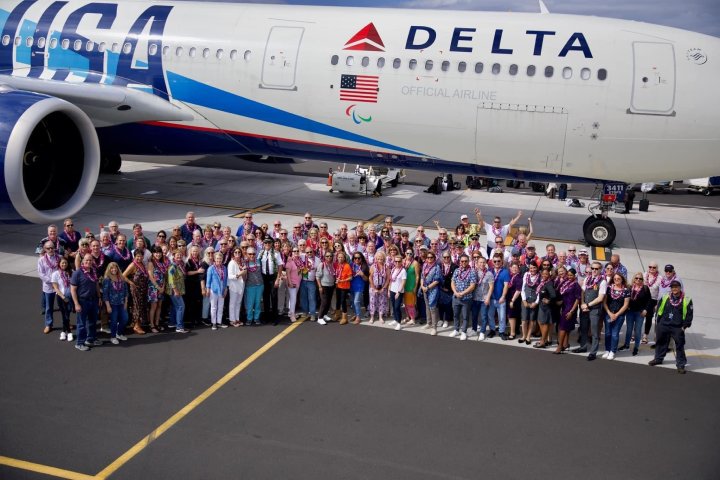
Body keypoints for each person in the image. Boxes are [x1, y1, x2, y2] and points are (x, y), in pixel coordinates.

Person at [649, 280, 693, 373]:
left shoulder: (687, 299)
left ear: (680, 288)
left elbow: (689, 314)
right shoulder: (665, 297)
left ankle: (681, 365)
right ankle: (658, 359)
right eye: (673, 287)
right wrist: (659, 322)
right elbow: (659, 309)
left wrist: (684, 326)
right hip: (664, 324)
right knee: (660, 342)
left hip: (677, 327)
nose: (674, 289)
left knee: (679, 345)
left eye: (676, 287)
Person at [573, 262, 607, 360]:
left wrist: (588, 305)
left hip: (594, 309)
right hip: (585, 308)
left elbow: (600, 298)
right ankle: (583, 347)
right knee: (583, 329)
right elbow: (583, 292)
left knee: (594, 332)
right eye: (592, 268)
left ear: (600, 270)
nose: (594, 270)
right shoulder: (587, 279)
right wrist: (583, 303)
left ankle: (593, 352)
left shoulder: (602, 281)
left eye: (596, 269)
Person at [70, 254, 102, 351]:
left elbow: (96, 284)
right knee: (81, 324)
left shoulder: (93, 271)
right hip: (82, 301)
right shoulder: (77, 273)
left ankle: (91, 339)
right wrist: (76, 303)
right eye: (86, 260)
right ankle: (80, 343)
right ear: (83, 261)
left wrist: (99, 297)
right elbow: (73, 290)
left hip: (93, 300)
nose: (88, 262)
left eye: (90, 260)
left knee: (92, 321)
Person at [620, 272, 651, 355]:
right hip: (630, 312)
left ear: (642, 280)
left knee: (637, 331)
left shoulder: (645, 288)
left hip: (640, 313)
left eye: (640, 279)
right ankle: (626, 345)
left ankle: (636, 347)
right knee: (629, 330)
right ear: (634, 279)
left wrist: (646, 310)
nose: (638, 280)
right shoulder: (629, 287)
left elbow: (649, 301)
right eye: (636, 278)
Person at [450, 254, 477, 340]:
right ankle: (456, 329)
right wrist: (455, 292)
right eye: (462, 261)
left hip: (466, 298)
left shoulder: (472, 271)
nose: (464, 263)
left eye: (465, 261)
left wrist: (462, 293)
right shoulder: (457, 270)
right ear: (459, 262)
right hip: (456, 297)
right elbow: (452, 282)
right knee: (456, 315)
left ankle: (464, 332)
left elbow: (472, 286)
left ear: (468, 261)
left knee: (465, 316)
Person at [603, 273, 630, 360]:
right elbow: (604, 302)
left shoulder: (626, 290)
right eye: (615, 278)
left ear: (622, 279)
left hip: (620, 315)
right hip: (608, 314)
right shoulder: (608, 288)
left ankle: (612, 351)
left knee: (615, 334)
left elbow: (625, 305)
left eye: (618, 278)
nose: (616, 280)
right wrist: (610, 313)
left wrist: (616, 314)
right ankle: (607, 350)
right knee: (608, 333)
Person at [102, 262, 130, 344]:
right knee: (114, 321)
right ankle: (113, 337)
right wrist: (108, 306)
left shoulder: (121, 278)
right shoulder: (107, 279)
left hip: (122, 303)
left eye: (115, 268)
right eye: (112, 268)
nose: (114, 269)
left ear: (118, 268)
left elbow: (126, 291)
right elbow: (105, 294)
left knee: (125, 319)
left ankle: (119, 333)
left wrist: (126, 303)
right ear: (109, 269)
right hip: (112, 304)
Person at [123, 249, 149, 335]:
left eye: (141, 256)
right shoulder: (133, 265)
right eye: (137, 256)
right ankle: (136, 326)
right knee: (137, 306)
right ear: (134, 256)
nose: (139, 258)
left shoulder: (142, 264)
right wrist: (131, 282)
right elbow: (123, 275)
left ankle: (138, 323)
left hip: (143, 288)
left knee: (141, 306)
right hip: (136, 289)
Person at [38, 241, 61, 333]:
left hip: (59, 286)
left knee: (63, 306)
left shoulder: (59, 258)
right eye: (48, 248)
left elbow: (62, 270)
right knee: (49, 307)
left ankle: (66, 323)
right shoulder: (41, 260)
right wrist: (51, 281)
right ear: (45, 249)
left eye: (52, 247)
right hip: (48, 286)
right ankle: (48, 324)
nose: (51, 249)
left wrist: (58, 282)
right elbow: (41, 274)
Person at [556, 268, 581, 354]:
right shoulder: (566, 283)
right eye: (568, 275)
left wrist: (572, 311)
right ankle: (566, 344)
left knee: (562, 327)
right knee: (566, 327)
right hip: (564, 306)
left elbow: (578, 300)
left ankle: (560, 346)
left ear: (575, 276)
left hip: (570, 308)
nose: (569, 277)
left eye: (571, 275)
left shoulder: (576, 285)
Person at [258, 238, 283, 324]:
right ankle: (266, 317)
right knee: (265, 297)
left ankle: (275, 318)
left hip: (273, 277)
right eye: (266, 243)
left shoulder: (276, 253)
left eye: (269, 243)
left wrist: (277, 279)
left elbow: (280, 266)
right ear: (263, 244)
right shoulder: (261, 253)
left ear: (272, 244)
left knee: (274, 297)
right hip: (264, 277)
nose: (267, 244)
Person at [488, 254, 511, 340]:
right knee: (490, 315)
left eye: (498, 261)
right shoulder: (489, 271)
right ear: (492, 262)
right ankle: (492, 330)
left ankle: (501, 332)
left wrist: (503, 296)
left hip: (501, 299)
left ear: (502, 261)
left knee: (501, 317)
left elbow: (506, 285)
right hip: (491, 298)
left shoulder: (505, 272)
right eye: (495, 261)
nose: (497, 263)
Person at [51, 257, 74, 342]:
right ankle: (69, 332)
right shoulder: (55, 274)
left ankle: (63, 332)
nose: (64, 264)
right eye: (62, 263)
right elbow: (56, 288)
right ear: (59, 264)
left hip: (70, 297)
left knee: (67, 314)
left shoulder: (71, 273)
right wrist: (63, 297)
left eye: (65, 263)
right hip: (61, 297)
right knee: (64, 315)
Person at [471, 256, 494, 340]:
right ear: (477, 263)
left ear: (486, 263)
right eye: (480, 262)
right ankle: (474, 329)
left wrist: (488, 298)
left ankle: (482, 332)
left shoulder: (489, 274)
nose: (482, 264)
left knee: (483, 316)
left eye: (483, 262)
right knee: (474, 315)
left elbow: (491, 287)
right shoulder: (474, 272)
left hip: (484, 298)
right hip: (475, 298)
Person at [167, 251, 189, 333]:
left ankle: (172, 323)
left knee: (174, 306)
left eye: (180, 255)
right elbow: (170, 279)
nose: (179, 256)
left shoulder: (180, 265)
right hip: (174, 291)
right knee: (181, 306)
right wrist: (175, 290)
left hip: (178, 290)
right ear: (174, 256)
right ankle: (179, 327)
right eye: (177, 255)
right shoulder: (173, 267)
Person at [147, 246, 168, 333]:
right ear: (153, 253)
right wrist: (158, 287)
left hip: (161, 287)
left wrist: (163, 286)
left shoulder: (162, 263)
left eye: (159, 252)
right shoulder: (151, 263)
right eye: (156, 252)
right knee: (154, 306)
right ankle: (152, 325)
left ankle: (157, 323)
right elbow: (151, 276)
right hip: (153, 288)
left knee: (159, 306)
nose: (158, 254)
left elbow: (164, 276)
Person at [534, 268, 557, 348]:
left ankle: (543, 342)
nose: (544, 275)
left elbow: (553, 295)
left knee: (544, 323)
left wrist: (549, 301)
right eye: (543, 274)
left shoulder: (549, 283)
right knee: (541, 322)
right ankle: (543, 339)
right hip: (542, 306)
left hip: (546, 307)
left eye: (546, 274)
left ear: (549, 275)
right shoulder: (543, 282)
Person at [206, 252, 229, 330]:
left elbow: (225, 280)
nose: (219, 260)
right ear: (214, 259)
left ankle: (219, 322)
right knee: (213, 307)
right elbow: (208, 281)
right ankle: (214, 323)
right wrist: (208, 289)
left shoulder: (224, 268)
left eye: (220, 258)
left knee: (221, 307)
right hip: (214, 290)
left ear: (222, 259)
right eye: (217, 258)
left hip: (222, 290)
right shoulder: (211, 268)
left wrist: (226, 289)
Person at [520, 263, 541, 345]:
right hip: (525, 299)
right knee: (524, 320)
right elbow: (523, 288)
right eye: (531, 268)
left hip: (534, 300)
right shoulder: (526, 274)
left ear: (537, 268)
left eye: (534, 268)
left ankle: (528, 336)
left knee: (532, 320)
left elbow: (539, 291)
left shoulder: (539, 276)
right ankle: (524, 336)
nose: (532, 270)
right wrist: (524, 300)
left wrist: (536, 302)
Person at [185, 246, 206, 327]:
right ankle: (192, 321)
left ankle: (198, 319)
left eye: (196, 251)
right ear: (191, 252)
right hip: (190, 285)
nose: (195, 253)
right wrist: (197, 271)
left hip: (198, 284)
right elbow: (187, 273)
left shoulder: (200, 261)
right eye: (193, 251)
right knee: (191, 303)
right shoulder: (188, 261)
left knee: (198, 302)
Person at [243, 248, 264, 326]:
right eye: (250, 254)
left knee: (258, 302)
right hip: (250, 285)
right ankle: (249, 318)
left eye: (253, 254)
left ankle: (256, 318)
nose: (252, 255)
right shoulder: (245, 262)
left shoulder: (259, 261)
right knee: (250, 303)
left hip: (260, 285)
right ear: (247, 254)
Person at [298, 247, 320, 321]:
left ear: (313, 251)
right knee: (303, 297)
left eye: (311, 252)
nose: (309, 253)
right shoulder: (302, 256)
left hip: (311, 281)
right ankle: (305, 311)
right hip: (303, 280)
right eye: (307, 252)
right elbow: (294, 256)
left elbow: (319, 270)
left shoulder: (317, 259)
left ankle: (313, 314)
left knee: (312, 298)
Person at [642, 262, 661, 344]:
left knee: (649, 318)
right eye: (650, 267)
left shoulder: (660, 278)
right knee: (639, 317)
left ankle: (645, 335)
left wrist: (657, 303)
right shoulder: (644, 274)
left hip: (653, 299)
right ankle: (635, 334)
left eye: (654, 267)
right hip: (643, 298)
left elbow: (660, 291)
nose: (651, 269)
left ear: (657, 268)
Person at [316, 251, 337, 325]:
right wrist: (320, 287)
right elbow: (317, 277)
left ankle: (324, 315)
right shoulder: (322, 265)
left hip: (331, 285)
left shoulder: (333, 264)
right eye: (327, 256)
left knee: (328, 301)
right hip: (324, 285)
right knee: (324, 302)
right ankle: (320, 317)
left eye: (330, 256)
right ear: (324, 257)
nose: (329, 257)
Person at [227, 248, 247, 327]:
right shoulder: (231, 263)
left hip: (241, 285)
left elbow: (244, 274)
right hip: (234, 286)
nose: (237, 253)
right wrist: (240, 274)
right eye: (236, 252)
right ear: (233, 254)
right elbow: (230, 276)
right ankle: (232, 320)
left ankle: (237, 318)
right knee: (233, 303)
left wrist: (244, 272)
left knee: (238, 303)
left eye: (239, 252)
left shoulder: (242, 262)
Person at [284, 247, 303, 323]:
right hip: (292, 282)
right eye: (294, 251)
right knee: (293, 299)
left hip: (298, 282)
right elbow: (288, 273)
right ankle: (292, 315)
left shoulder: (300, 260)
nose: (296, 252)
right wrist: (290, 282)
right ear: (292, 252)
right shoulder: (290, 261)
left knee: (292, 298)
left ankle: (290, 312)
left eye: (297, 251)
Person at [389, 255, 407, 331]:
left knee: (397, 307)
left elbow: (403, 282)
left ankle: (399, 323)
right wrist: (388, 290)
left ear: (401, 262)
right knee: (393, 306)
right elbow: (390, 280)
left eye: (399, 261)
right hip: (392, 290)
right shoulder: (393, 269)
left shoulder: (403, 271)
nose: (397, 263)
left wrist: (399, 292)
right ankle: (395, 319)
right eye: (395, 261)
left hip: (398, 292)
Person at [334, 252, 353, 325]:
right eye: (339, 257)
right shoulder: (337, 265)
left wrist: (342, 280)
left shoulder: (347, 266)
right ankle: (337, 314)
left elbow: (350, 277)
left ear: (344, 258)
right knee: (338, 301)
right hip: (338, 286)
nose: (340, 258)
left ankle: (344, 317)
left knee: (343, 301)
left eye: (342, 257)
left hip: (344, 286)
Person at [402, 249, 420, 326]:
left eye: (411, 253)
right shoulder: (402, 261)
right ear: (405, 253)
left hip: (411, 285)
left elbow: (417, 276)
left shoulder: (415, 263)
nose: (409, 255)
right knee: (405, 303)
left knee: (411, 303)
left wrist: (415, 286)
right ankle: (407, 316)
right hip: (403, 285)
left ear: (413, 254)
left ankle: (413, 319)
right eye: (407, 253)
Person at [506, 263, 523, 340]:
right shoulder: (510, 276)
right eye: (513, 267)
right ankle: (512, 330)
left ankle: (513, 333)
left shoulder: (519, 278)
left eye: (516, 267)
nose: (514, 269)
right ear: (510, 268)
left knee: (512, 316)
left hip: (514, 299)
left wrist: (512, 300)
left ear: (518, 269)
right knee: (509, 315)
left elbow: (518, 290)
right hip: (508, 298)